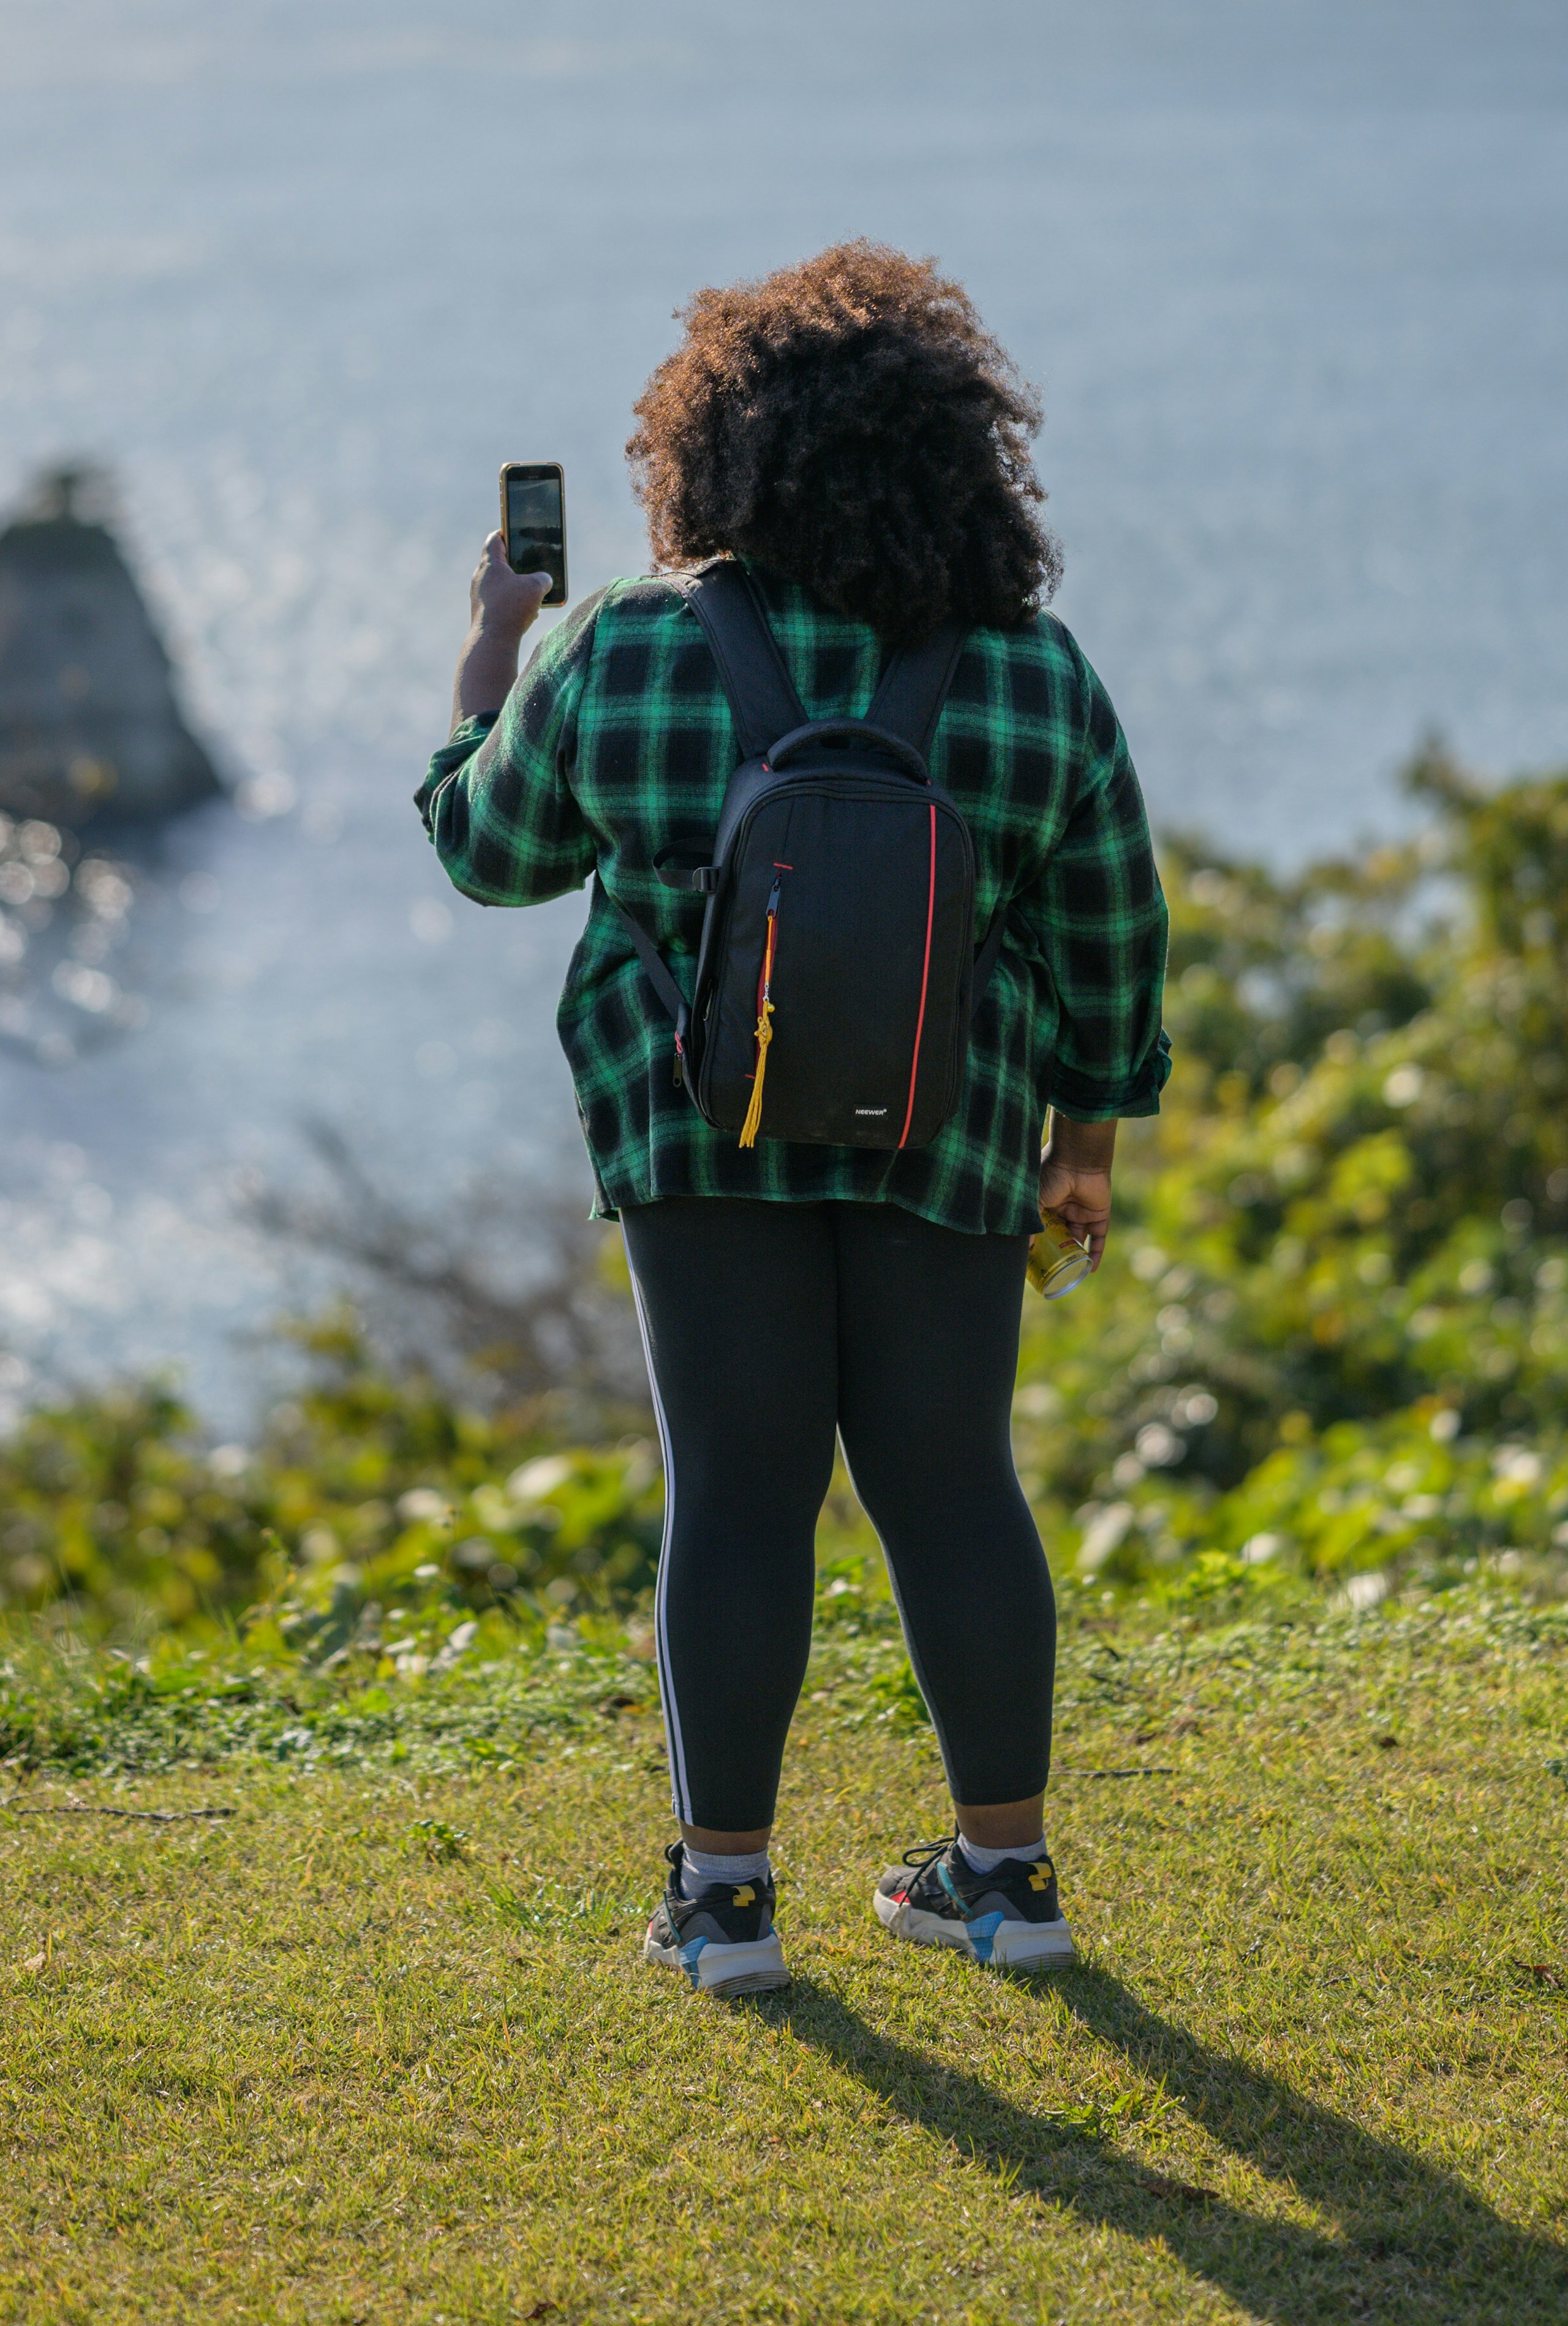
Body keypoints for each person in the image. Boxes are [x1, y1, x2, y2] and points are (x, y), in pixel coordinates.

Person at [415, 243, 1168, 1992]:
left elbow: (486, 850)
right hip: (954, 1128)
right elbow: (1110, 927)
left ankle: (729, 1902)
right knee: (954, 1486)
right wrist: (1085, 1149)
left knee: (740, 1499)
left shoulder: (622, 650)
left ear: (709, 459)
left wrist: (485, 655)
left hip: (699, 1132)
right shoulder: (1032, 674)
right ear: (954, 456)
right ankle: (1006, 1881)